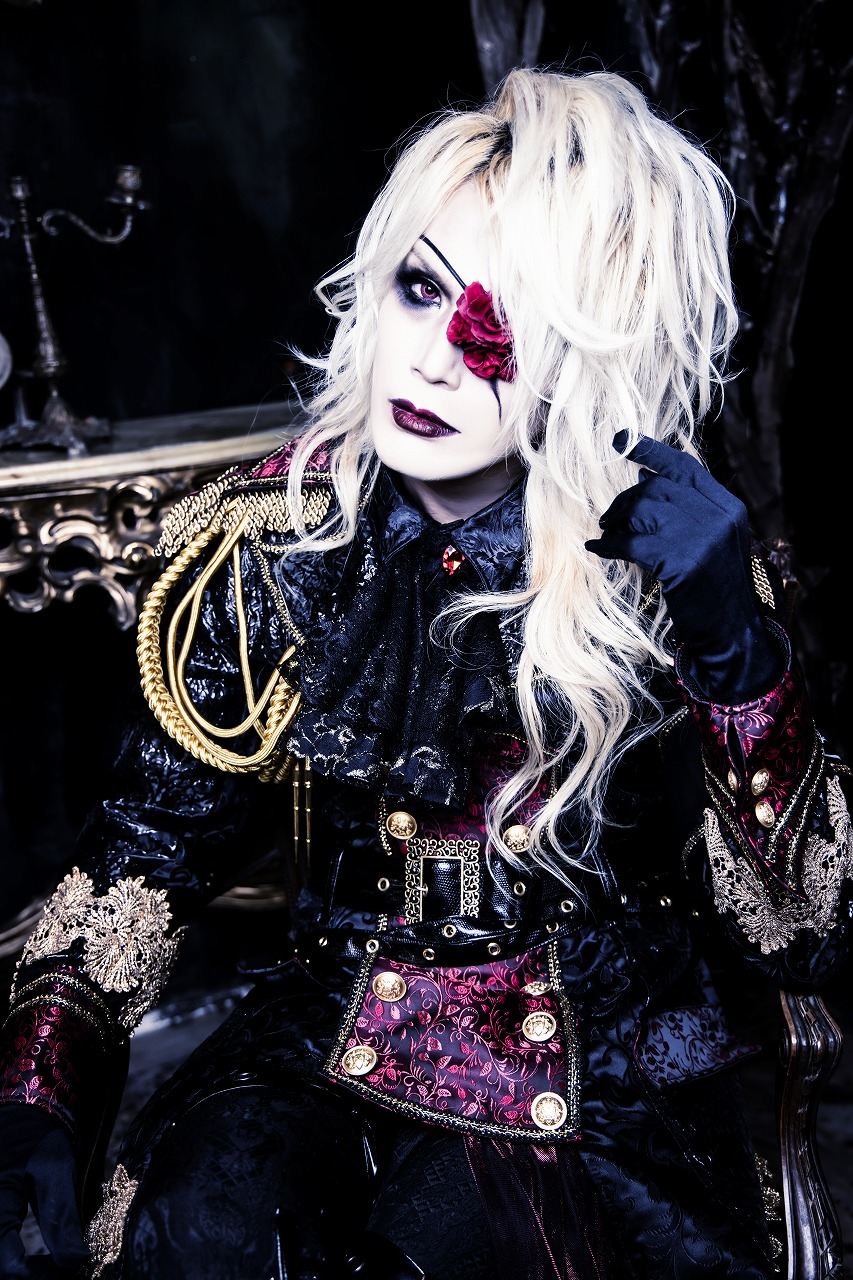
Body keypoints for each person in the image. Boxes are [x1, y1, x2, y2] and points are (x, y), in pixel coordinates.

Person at [0, 66, 850, 1280]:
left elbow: (803, 938)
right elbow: (141, 859)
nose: (441, 361)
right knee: (206, 1225)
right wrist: (40, 1085)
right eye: (421, 288)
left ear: (584, 352)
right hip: (327, 1028)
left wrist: (737, 655)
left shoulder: (667, 554)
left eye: (502, 326)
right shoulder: (279, 543)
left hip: (588, 1061)